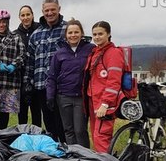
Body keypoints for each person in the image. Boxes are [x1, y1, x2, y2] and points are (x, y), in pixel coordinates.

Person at [46, 19, 94, 146]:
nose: (73, 35)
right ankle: (73, 157)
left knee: (80, 130)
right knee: (68, 130)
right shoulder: (59, 53)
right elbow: (52, 76)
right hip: (63, 97)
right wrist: (50, 96)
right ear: (66, 35)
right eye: (70, 32)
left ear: (82, 33)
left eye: (76, 32)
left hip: (80, 97)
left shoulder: (90, 49)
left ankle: (85, 157)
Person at [25, 0, 67, 141]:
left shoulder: (67, 30)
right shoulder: (36, 34)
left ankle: (67, 153)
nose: (49, 13)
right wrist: (28, 83)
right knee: (49, 125)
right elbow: (30, 61)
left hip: (62, 87)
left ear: (59, 9)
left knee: (63, 125)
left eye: (52, 10)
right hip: (41, 85)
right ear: (42, 11)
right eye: (46, 10)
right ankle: (53, 155)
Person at [84, 20, 125, 153]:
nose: (97, 37)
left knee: (102, 137)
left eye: (100, 34)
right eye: (94, 34)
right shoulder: (96, 52)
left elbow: (114, 81)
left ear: (108, 34)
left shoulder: (113, 53)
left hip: (104, 102)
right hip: (93, 99)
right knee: (96, 137)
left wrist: (105, 103)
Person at [13, 5, 40, 125]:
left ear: (33, 15)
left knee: (36, 111)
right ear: (19, 17)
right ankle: (22, 138)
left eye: (28, 14)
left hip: (37, 76)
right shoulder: (15, 34)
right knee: (22, 112)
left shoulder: (40, 30)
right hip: (20, 78)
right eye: (23, 15)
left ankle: (37, 137)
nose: (25, 17)